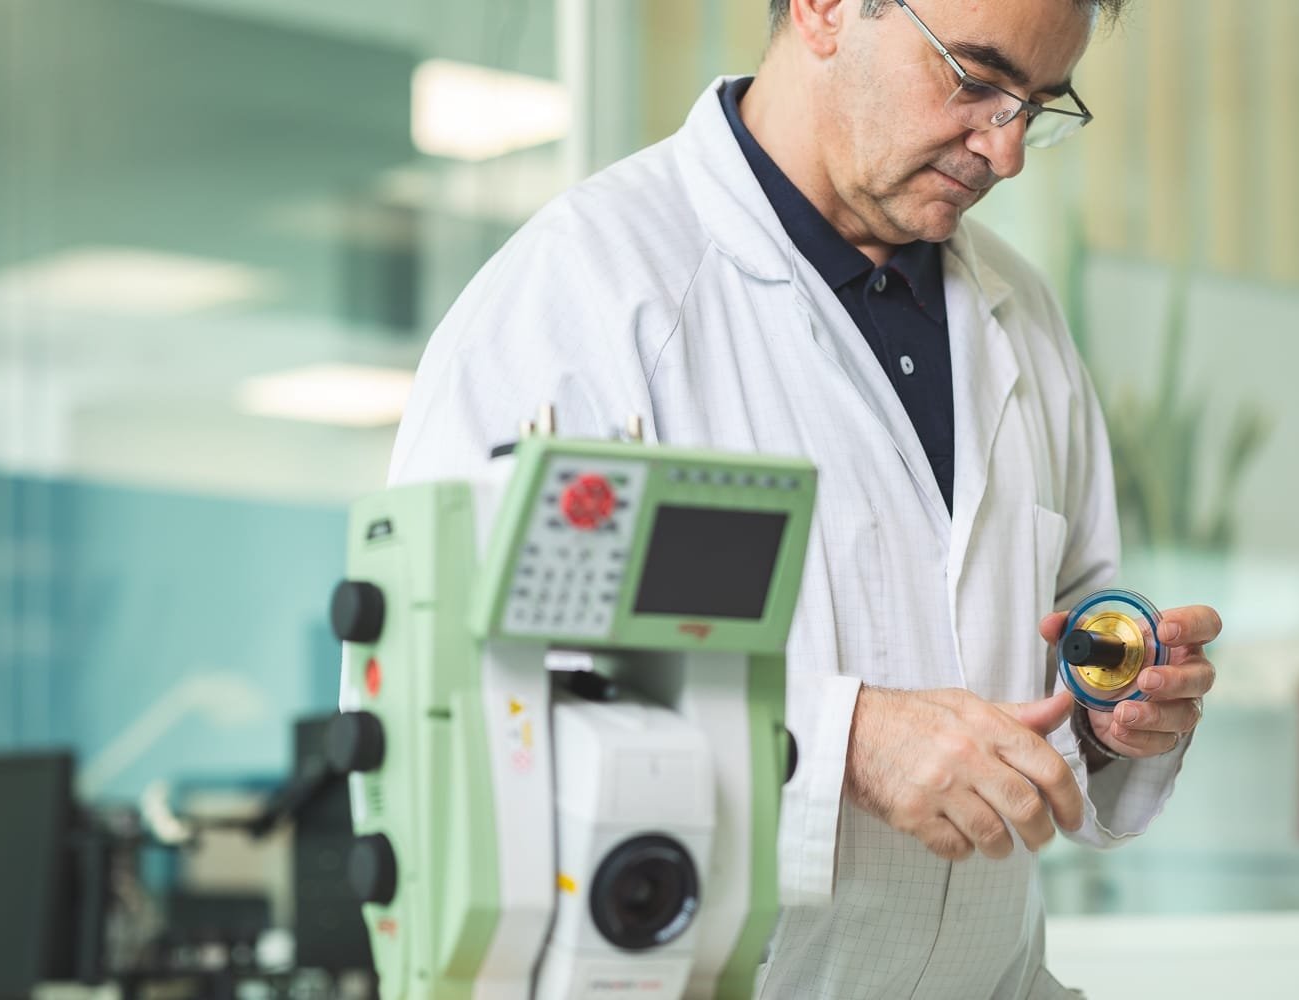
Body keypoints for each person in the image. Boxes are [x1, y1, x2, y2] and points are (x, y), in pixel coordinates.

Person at [388, 0, 1220, 996]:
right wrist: (843, 740)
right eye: (973, 80)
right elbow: (469, 713)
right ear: (822, 9)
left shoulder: (1022, 315)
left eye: (1038, 105)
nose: (1007, 154)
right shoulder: (584, 294)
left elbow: (1068, 614)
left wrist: (1111, 706)